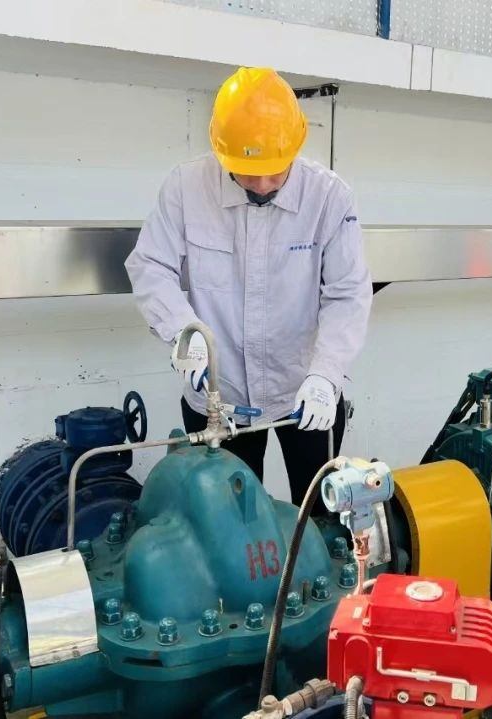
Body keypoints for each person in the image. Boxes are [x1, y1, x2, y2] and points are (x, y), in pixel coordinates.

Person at [125, 67, 372, 507]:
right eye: (246, 172)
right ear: (220, 152)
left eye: (274, 172)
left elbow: (347, 293)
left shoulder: (329, 197)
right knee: (226, 522)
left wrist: (326, 374)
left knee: (319, 514)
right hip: (219, 396)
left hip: (304, 390)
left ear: (295, 147)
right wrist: (184, 334)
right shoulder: (185, 188)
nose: (261, 185)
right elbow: (150, 266)